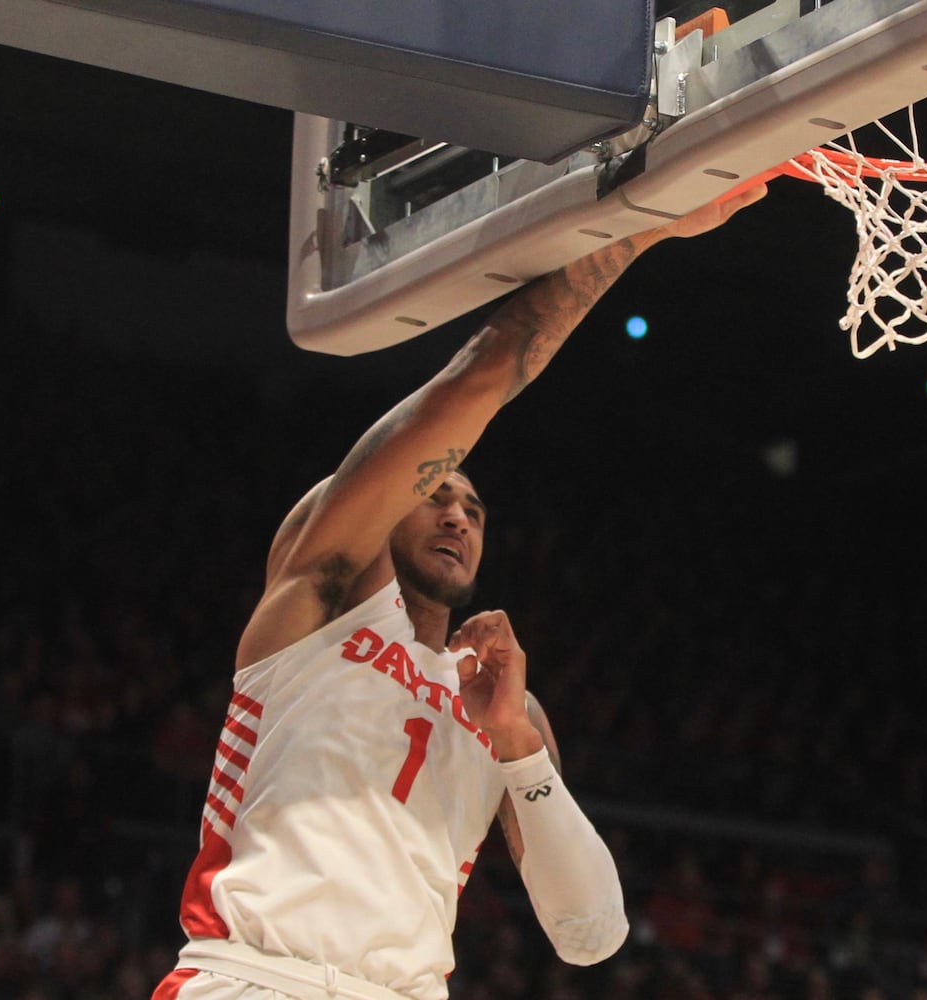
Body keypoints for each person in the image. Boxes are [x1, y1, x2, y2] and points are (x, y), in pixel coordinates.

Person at [152, 184, 768, 1000]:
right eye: (437, 491)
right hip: (256, 977)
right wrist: (638, 225)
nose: (457, 513)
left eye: (474, 508)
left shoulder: (503, 708)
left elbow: (590, 936)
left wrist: (515, 742)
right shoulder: (322, 597)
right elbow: (472, 384)